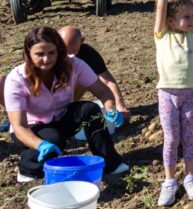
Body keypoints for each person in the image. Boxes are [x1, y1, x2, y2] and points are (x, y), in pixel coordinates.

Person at [5, 26, 128, 182]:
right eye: (39, 54)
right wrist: (40, 144)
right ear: (28, 54)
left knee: (90, 109)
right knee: (53, 139)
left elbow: (102, 91)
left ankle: (109, 163)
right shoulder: (17, 79)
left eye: (51, 53)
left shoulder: (73, 65)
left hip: (61, 118)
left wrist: (111, 108)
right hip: (31, 127)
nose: (46, 59)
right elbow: (19, 126)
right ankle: (27, 168)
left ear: (59, 51)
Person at [153, 0, 193, 205]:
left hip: (189, 92)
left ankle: (190, 176)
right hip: (167, 93)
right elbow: (160, 8)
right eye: (185, 16)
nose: (190, 19)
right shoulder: (163, 34)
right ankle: (169, 181)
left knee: (189, 136)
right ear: (171, 20)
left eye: (191, 16)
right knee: (171, 138)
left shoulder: (192, 33)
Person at [58, 26, 130, 119]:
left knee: (84, 77)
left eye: (73, 51)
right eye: (65, 51)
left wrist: (120, 106)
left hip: (69, 97)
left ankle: (68, 110)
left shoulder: (87, 54)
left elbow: (107, 81)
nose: (69, 56)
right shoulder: (50, 55)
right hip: (48, 101)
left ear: (82, 41)